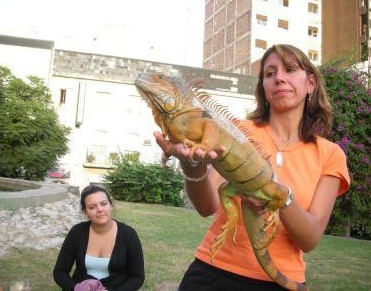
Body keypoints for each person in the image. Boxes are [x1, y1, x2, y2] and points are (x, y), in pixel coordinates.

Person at [154, 44, 350, 290]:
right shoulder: (236, 132)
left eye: (289, 70)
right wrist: (191, 166)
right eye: (270, 74)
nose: (279, 78)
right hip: (213, 271)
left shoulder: (330, 154)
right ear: (264, 88)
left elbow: (309, 239)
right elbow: (206, 207)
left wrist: (277, 194)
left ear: (311, 83)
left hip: (279, 282)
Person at [53, 185, 145, 291]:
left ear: (111, 206)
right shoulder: (77, 232)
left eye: (104, 203)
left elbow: (137, 277)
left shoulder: (128, 234)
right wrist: (76, 287)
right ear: (85, 212)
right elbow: (60, 271)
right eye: (92, 207)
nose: (100, 209)